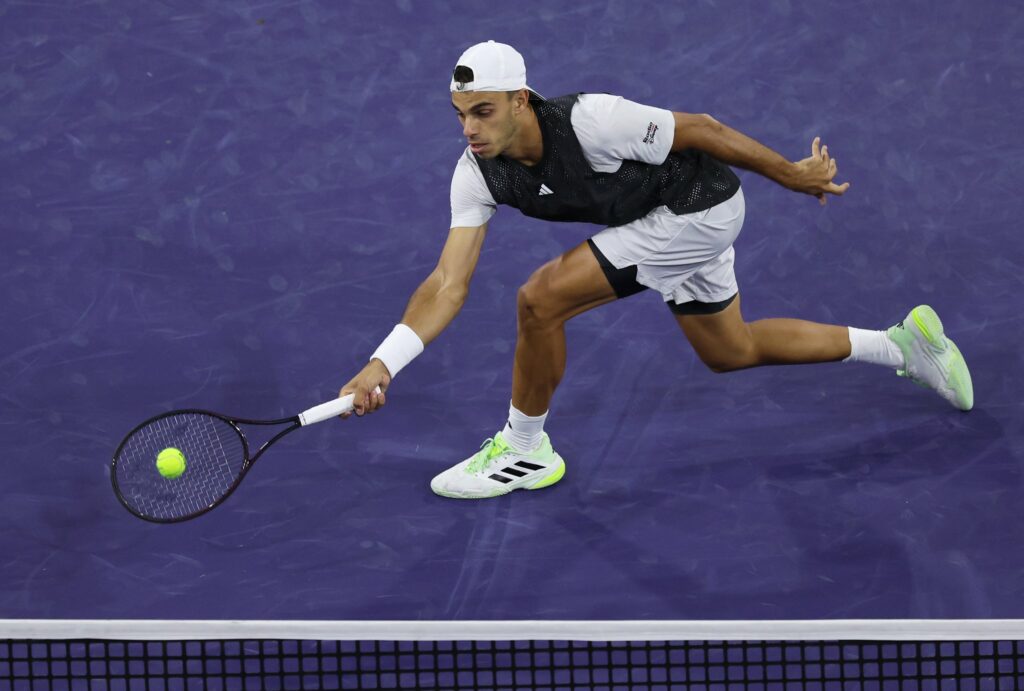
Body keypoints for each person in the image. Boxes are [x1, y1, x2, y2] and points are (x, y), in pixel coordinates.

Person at [338, 40, 974, 499]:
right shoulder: (475, 174)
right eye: (460, 114)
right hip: (660, 226)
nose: (470, 128)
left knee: (541, 299)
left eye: (483, 111)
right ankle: (902, 345)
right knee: (732, 349)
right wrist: (382, 362)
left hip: (701, 209)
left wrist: (790, 172)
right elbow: (448, 283)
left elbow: (701, 128)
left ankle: (526, 450)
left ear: (521, 101)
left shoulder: (590, 120)